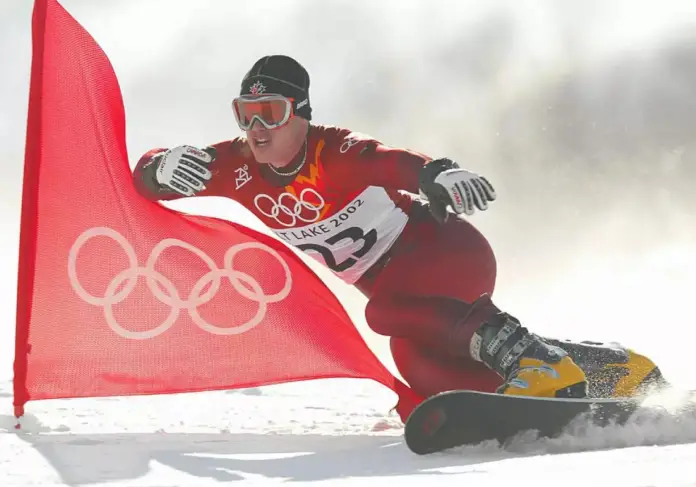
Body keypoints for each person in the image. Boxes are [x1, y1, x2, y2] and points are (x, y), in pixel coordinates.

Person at [132, 54, 666, 401]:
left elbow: (391, 160)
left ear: (301, 113)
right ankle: (604, 371)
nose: (255, 128)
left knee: (383, 312)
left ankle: (540, 363)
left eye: (269, 112)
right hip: (407, 293)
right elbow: (143, 181)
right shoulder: (236, 166)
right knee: (425, 373)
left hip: (444, 254)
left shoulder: (334, 150)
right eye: (244, 113)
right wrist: (160, 166)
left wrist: (439, 173)